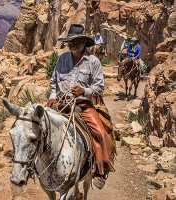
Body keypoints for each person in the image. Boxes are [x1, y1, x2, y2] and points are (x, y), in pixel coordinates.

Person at [46, 24, 115, 189]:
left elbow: (99, 88)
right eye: (70, 41)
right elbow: (54, 82)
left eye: (76, 41)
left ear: (84, 42)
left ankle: (100, 170)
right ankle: (32, 167)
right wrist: (53, 97)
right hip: (60, 105)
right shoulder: (62, 58)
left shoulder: (93, 62)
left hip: (82, 106)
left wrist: (84, 90)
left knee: (101, 133)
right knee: (36, 126)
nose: (71, 44)